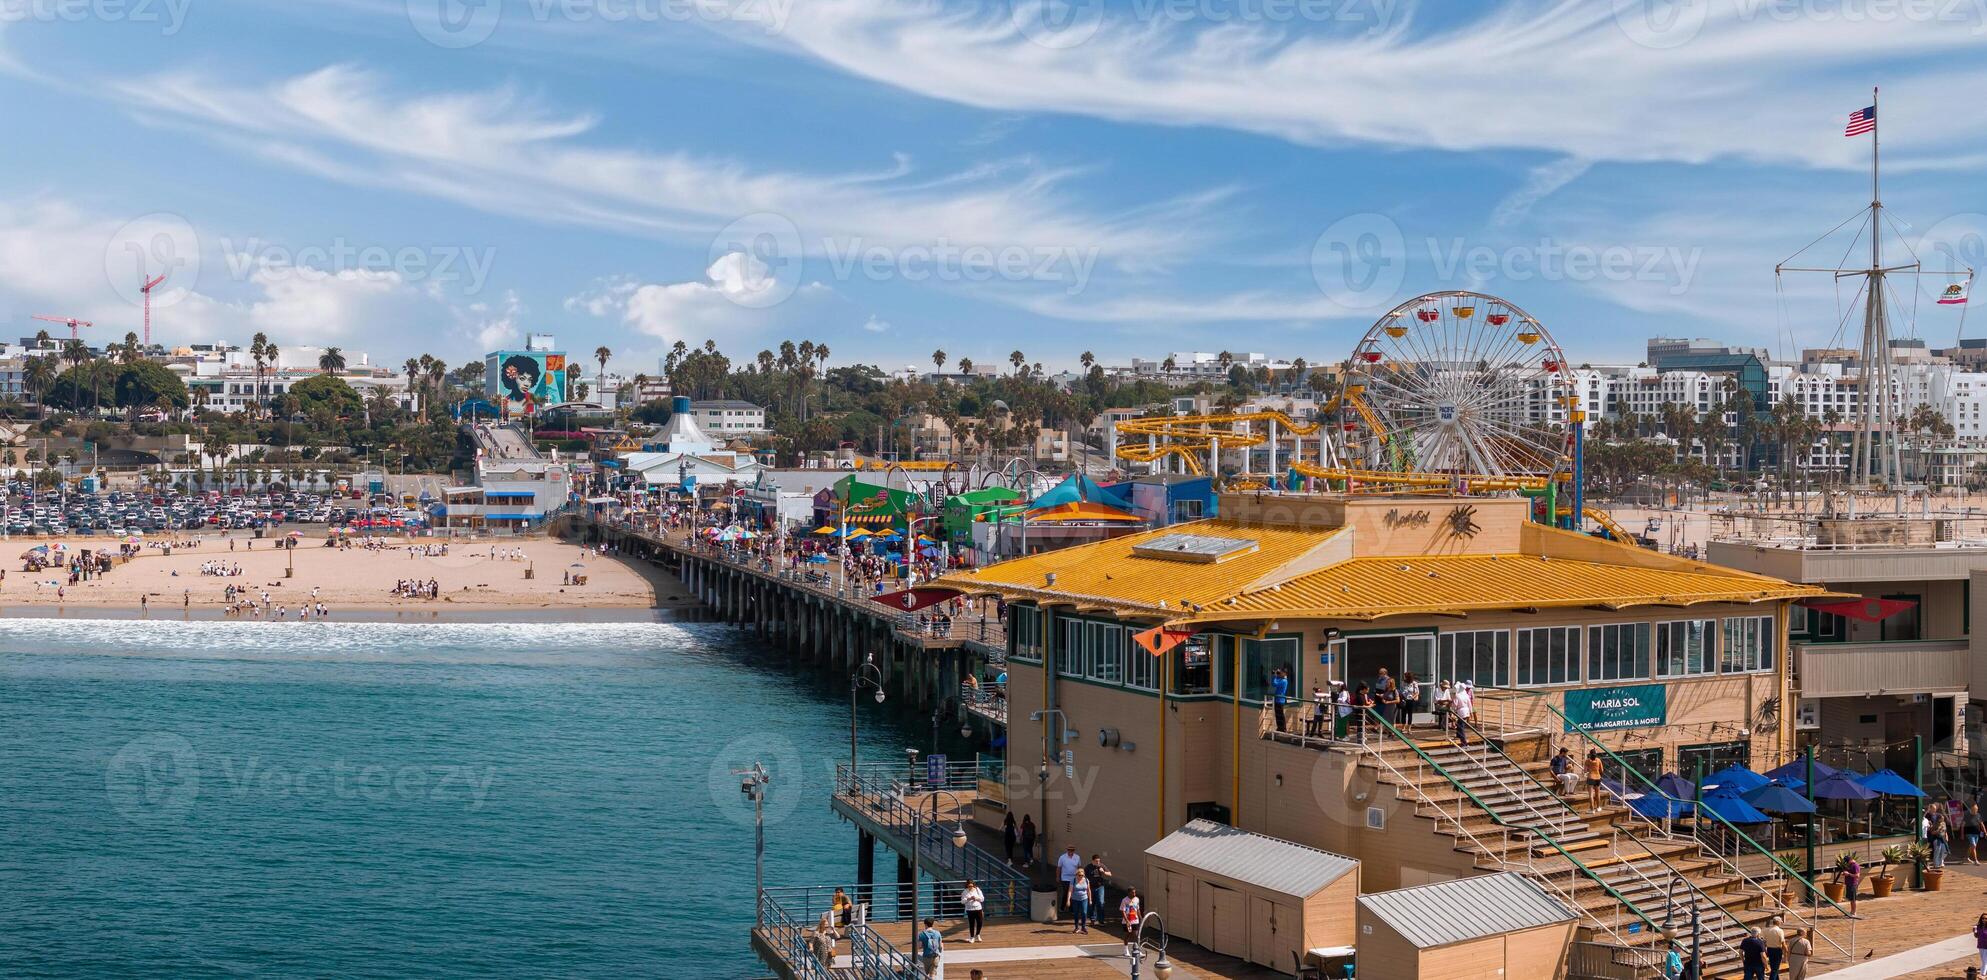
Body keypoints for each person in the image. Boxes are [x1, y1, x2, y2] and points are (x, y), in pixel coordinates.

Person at [1057, 845, 1083, 914]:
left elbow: (1079, 867)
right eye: (1069, 850)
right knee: (1066, 892)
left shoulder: (1077, 857)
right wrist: (1058, 877)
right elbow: (1059, 868)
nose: (1070, 852)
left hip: (1074, 878)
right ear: (1067, 850)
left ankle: (1071, 909)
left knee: (1073, 893)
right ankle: (1062, 907)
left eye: (1072, 850)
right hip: (1065, 878)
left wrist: (1081, 877)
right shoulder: (1062, 857)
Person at [1119, 887, 1142, 958]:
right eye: (1133, 892)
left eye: (1135, 892)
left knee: (1136, 934)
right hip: (1127, 920)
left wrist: (1141, 917)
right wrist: (1127, 921)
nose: (1134, 894)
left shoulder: (1137, 899)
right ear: (1129, 893)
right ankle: (1126, 950)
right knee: (1128, 934)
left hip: (1135, 920)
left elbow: (1137, 909)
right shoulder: (1124, 900)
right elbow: (1122, 910)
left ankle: (1137, 949)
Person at [961, 879, 985, 944]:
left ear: (973, 885)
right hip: (970, 909)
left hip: (978, 908)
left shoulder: (977, 889)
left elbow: (982, 899)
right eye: (969, 886)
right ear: (967, 886)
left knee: (980, 922)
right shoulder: (965, 891)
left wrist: (976, 898)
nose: (970, 887)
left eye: (971, 886)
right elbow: (962, 901)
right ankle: (972, 937)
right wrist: (968, 899)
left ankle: (977, 934)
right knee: (972, 924)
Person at [1069, 869, 1092, 934]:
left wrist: (1090, 899)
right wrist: (1068, 900)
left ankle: (1083, 927)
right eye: (1079, 875)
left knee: (1084, 913)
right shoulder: (1073, 880)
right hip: (1075, 899)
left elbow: (1088, 890)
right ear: (1076, 875)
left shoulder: (1086, 880)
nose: (1081, 876)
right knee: (1076, 913)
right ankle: (1076, 927)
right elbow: (1070, 891)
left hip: (1084, 898)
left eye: (1082, 875)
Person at [1451, 680, 1473, 744]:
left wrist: (1452, 712)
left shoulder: (1457, 695)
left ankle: (1464, 741)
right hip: (1466, 711)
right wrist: (1471, 712)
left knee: (1461, 726)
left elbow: (1455, 704)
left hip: (1461, 711)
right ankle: (1458, 735)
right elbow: (1469, 704)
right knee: (1460, 724)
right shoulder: (1465, 695)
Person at [1269, 667, 1289, 732]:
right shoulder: (1281, 679)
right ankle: (1279, 728)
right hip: (1277, 699)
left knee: (1281, 715)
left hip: (1280, 700)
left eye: (1281, 672)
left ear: (1284, 673)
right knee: (1278, 715)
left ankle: (1283, 728)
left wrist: (1275, 676)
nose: (1280, 673)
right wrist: (1276, 675)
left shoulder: (1284, 681)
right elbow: (1273, 683)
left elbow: (1275, 684)